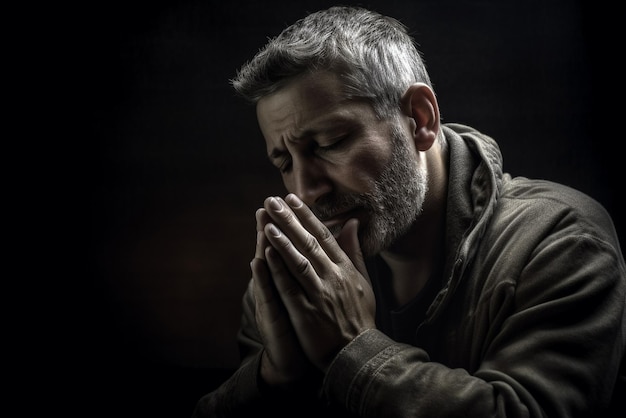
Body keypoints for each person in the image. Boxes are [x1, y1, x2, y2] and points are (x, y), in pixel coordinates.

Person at [192, 6, 625, 417]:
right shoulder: (296, 275)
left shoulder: (558, 241)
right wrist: (274, 379)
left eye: (328, 143)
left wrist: (353, 349)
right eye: (284, 163)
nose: (305, 191)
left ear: (419, 118)